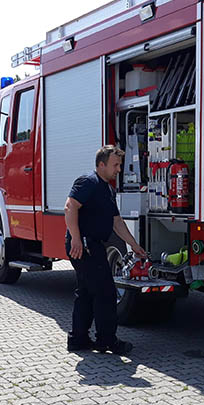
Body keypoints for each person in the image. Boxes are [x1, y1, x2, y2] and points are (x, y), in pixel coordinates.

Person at [64, 145, 146, 355]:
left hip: (91, 245)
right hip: (85, 245)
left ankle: (78, 339)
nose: (119, 169)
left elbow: (117, 222)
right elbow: (70, 206)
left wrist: (134, 245)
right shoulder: (88, 182)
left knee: (86, 292)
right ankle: (107, 341)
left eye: (119, 165)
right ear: (101, 165)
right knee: (106, 293)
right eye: (115, 165)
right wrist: (75, 239)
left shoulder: (107, 188)